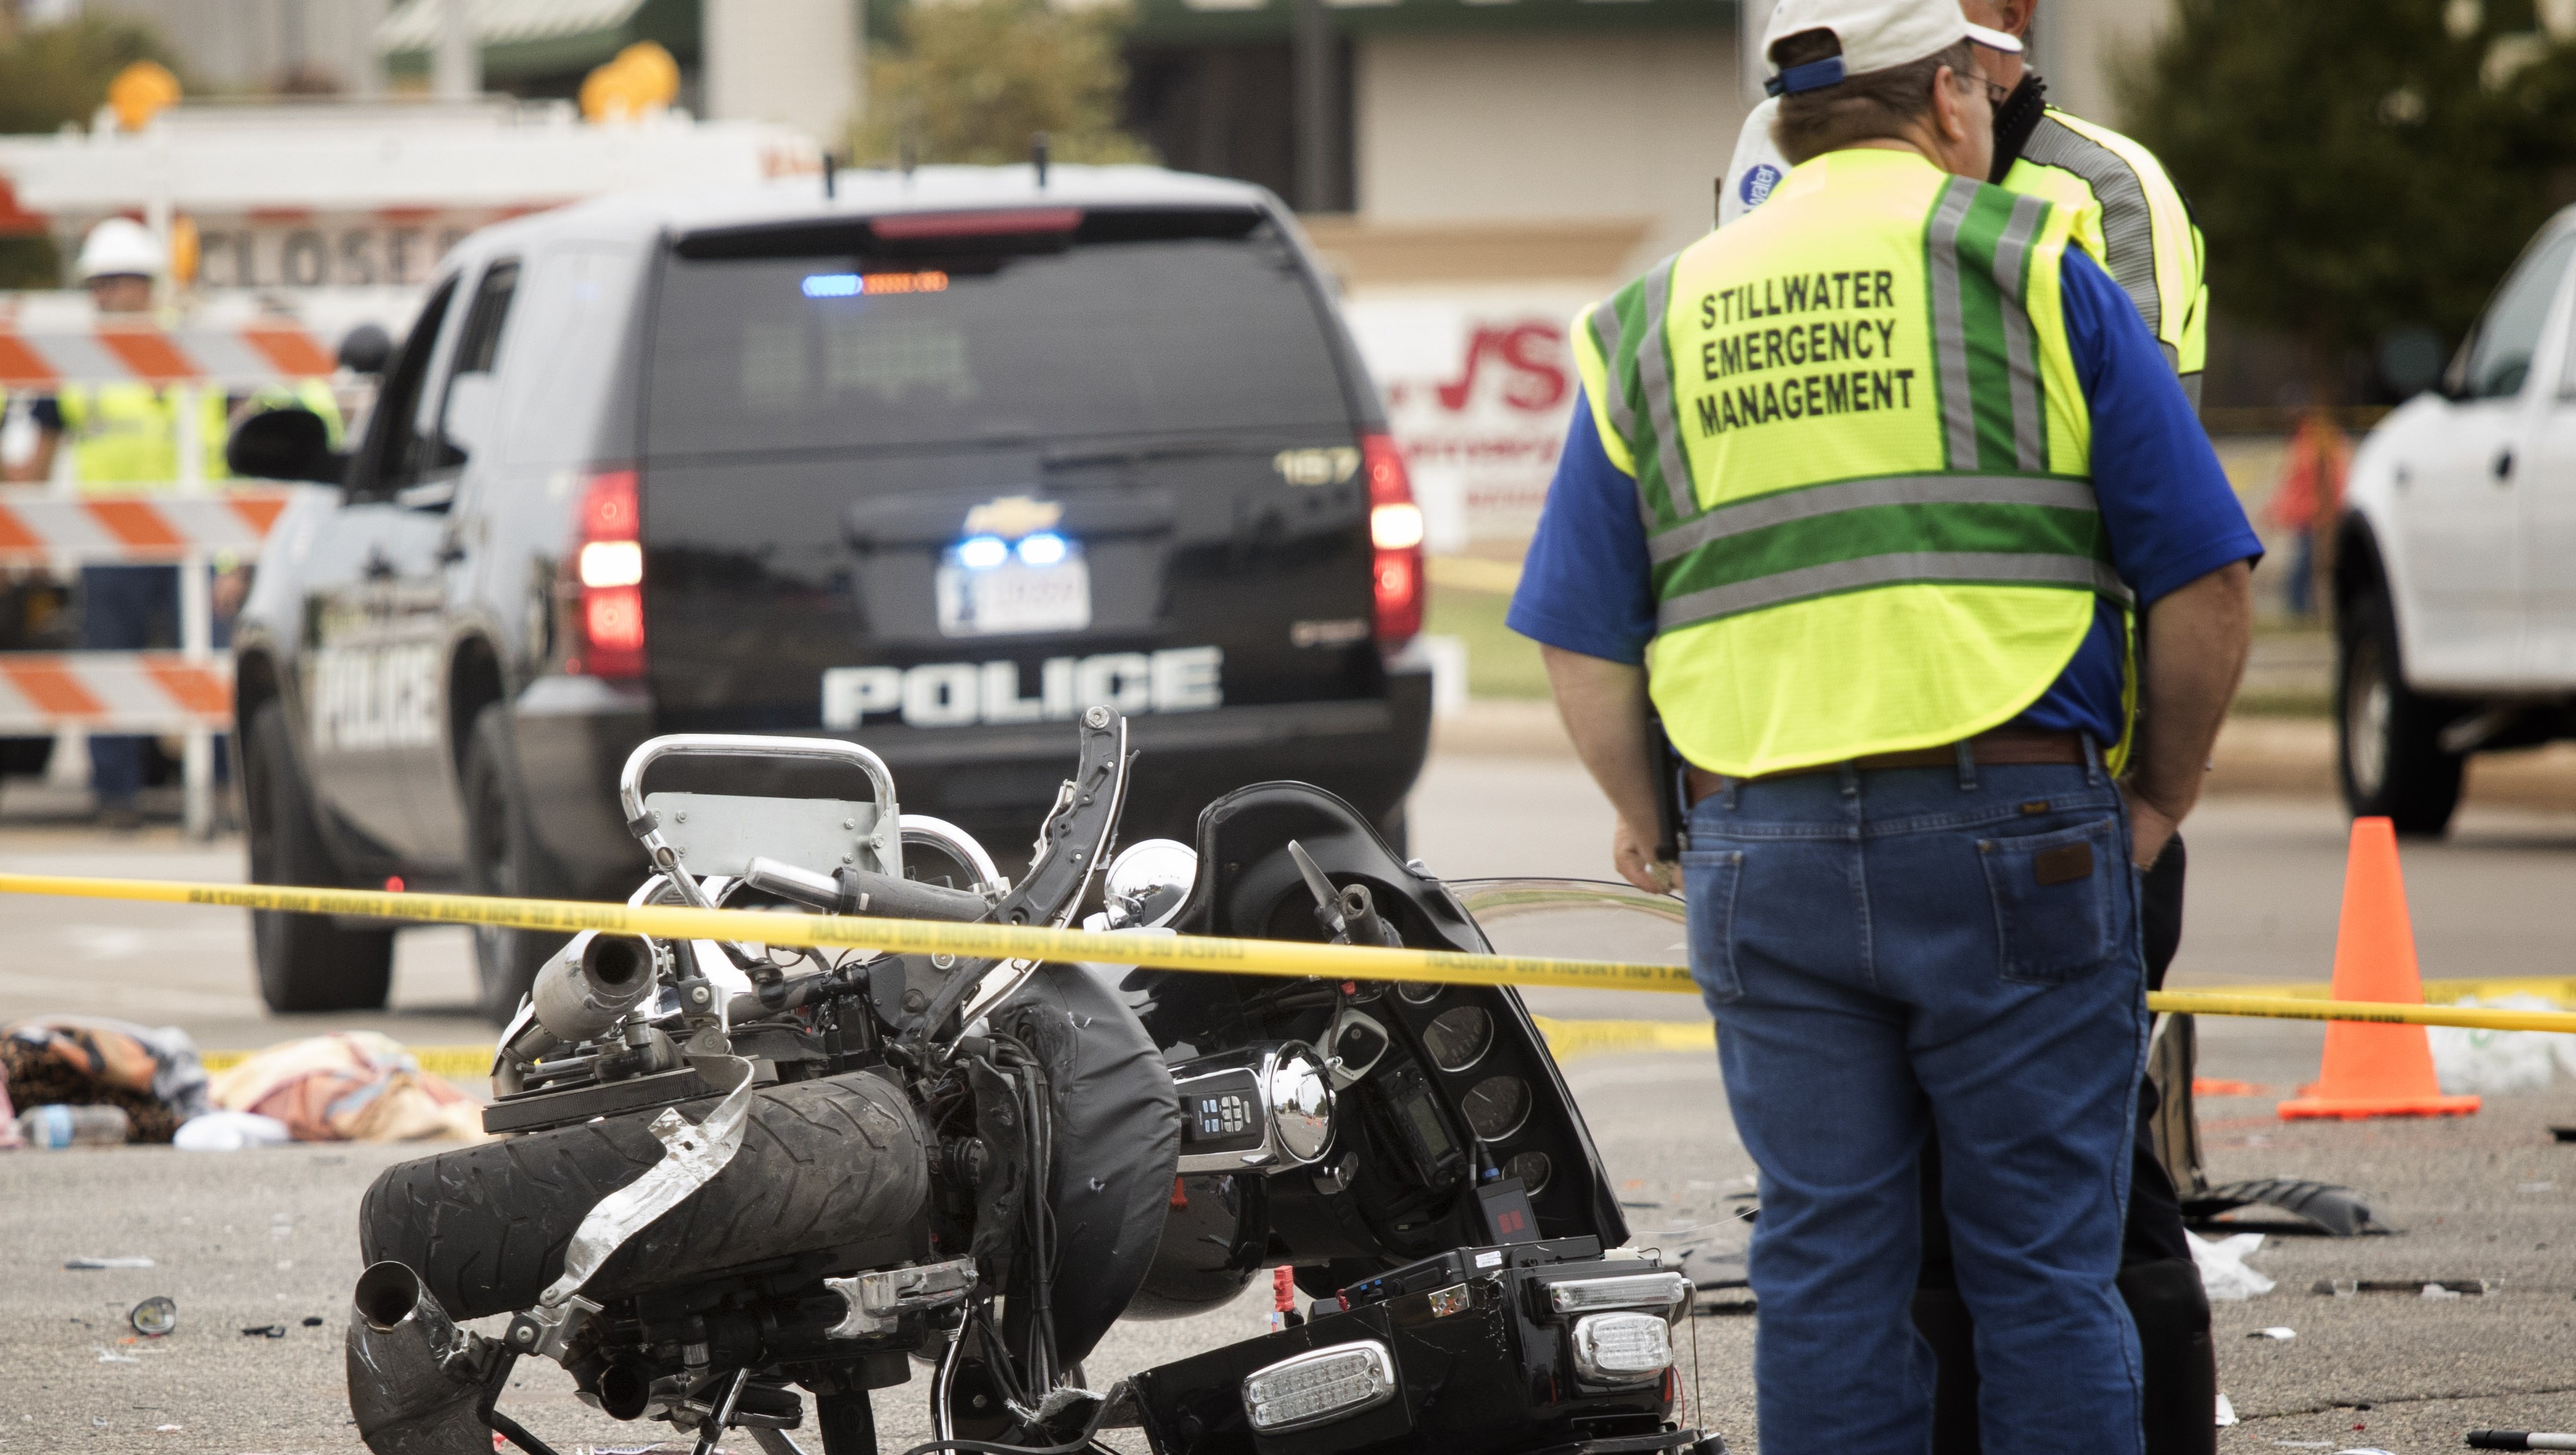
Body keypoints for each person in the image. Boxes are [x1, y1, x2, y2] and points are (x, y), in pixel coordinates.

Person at [1507, 0, 2258, 1449]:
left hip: (1761, 843)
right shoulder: (2042, 268)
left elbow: (1581, 643)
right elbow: (2205, 577)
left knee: (1828, 1268)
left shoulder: (1652, 318)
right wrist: (2158, 798)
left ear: (1785, 125)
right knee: (2046, 1269)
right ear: (1959, 99)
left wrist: (1661, 820)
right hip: (2022, 832)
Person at [1719, 9, 2223, 1448]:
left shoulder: (2089, 195)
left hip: (2051, 770)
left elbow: (2152, 488)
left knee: (2075, 1208)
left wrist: (2149, 793)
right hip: (1857, 777)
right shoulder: (1763, 180)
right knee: (1905, 1239)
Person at [12, 219, 336, 828]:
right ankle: (116, 795)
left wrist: (239, 547)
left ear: (149, 285)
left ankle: (220, 789)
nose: (106, 296)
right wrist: (25, 528)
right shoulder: (74, 365)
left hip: (195, 537)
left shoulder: (197, 353)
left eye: (118, 281)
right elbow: (38, 461)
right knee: (110, 668)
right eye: (97, 284)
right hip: (105, 542)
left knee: (212, 663)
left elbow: (246, 447)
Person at [2268, 409, 2349, 618]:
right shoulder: (2323, 446)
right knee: (2309, 562)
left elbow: (2296, 484)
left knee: (2309, 563)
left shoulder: (2310, 447)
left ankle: (2302, 608)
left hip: (2315, 513)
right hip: (2314, 514)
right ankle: (2301, 609)